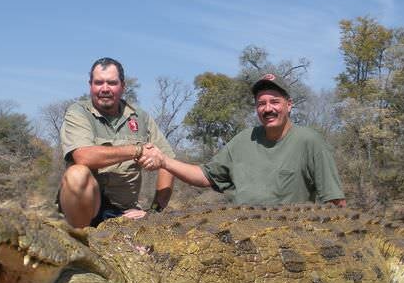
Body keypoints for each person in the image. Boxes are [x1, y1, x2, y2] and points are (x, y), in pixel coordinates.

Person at [141, 73, 346, 206]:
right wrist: (164, 161)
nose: (268, 109)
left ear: (289, 105)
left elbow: (335, 201)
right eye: (261, 103)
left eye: (275, 102)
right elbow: (206, 176)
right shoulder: (243, 139)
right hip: (242, 238)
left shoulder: (310, 141)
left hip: (291, 239)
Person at [58, 57, 175, 227]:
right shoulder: (78, 112)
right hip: (86, 211)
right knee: (77, 174)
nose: (105, 89)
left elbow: (168, 162)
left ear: (123, 86)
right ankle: (80, 237)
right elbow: (84, 157)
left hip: (126, 213)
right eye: (98, 83)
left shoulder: (140, 117)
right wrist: (138, 150)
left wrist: (155, 212)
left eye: (112, 83)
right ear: (90, 85)